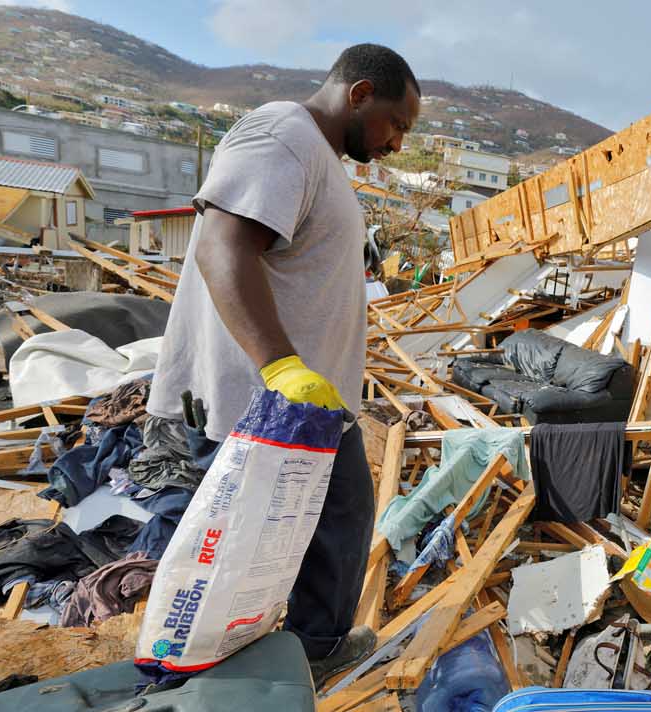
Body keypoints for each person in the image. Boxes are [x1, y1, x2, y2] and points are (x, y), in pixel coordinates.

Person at [146, 43, 420, 685]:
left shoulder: (314, 154)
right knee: (232, 551)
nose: (397, 144)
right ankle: (193, 679)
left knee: (339, 523)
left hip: (308, 406)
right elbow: (222, 248)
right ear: (358, 95)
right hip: (261, 401)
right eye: (397, 124)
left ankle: (313, 649)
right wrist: (281, 367)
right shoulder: (281, 136)